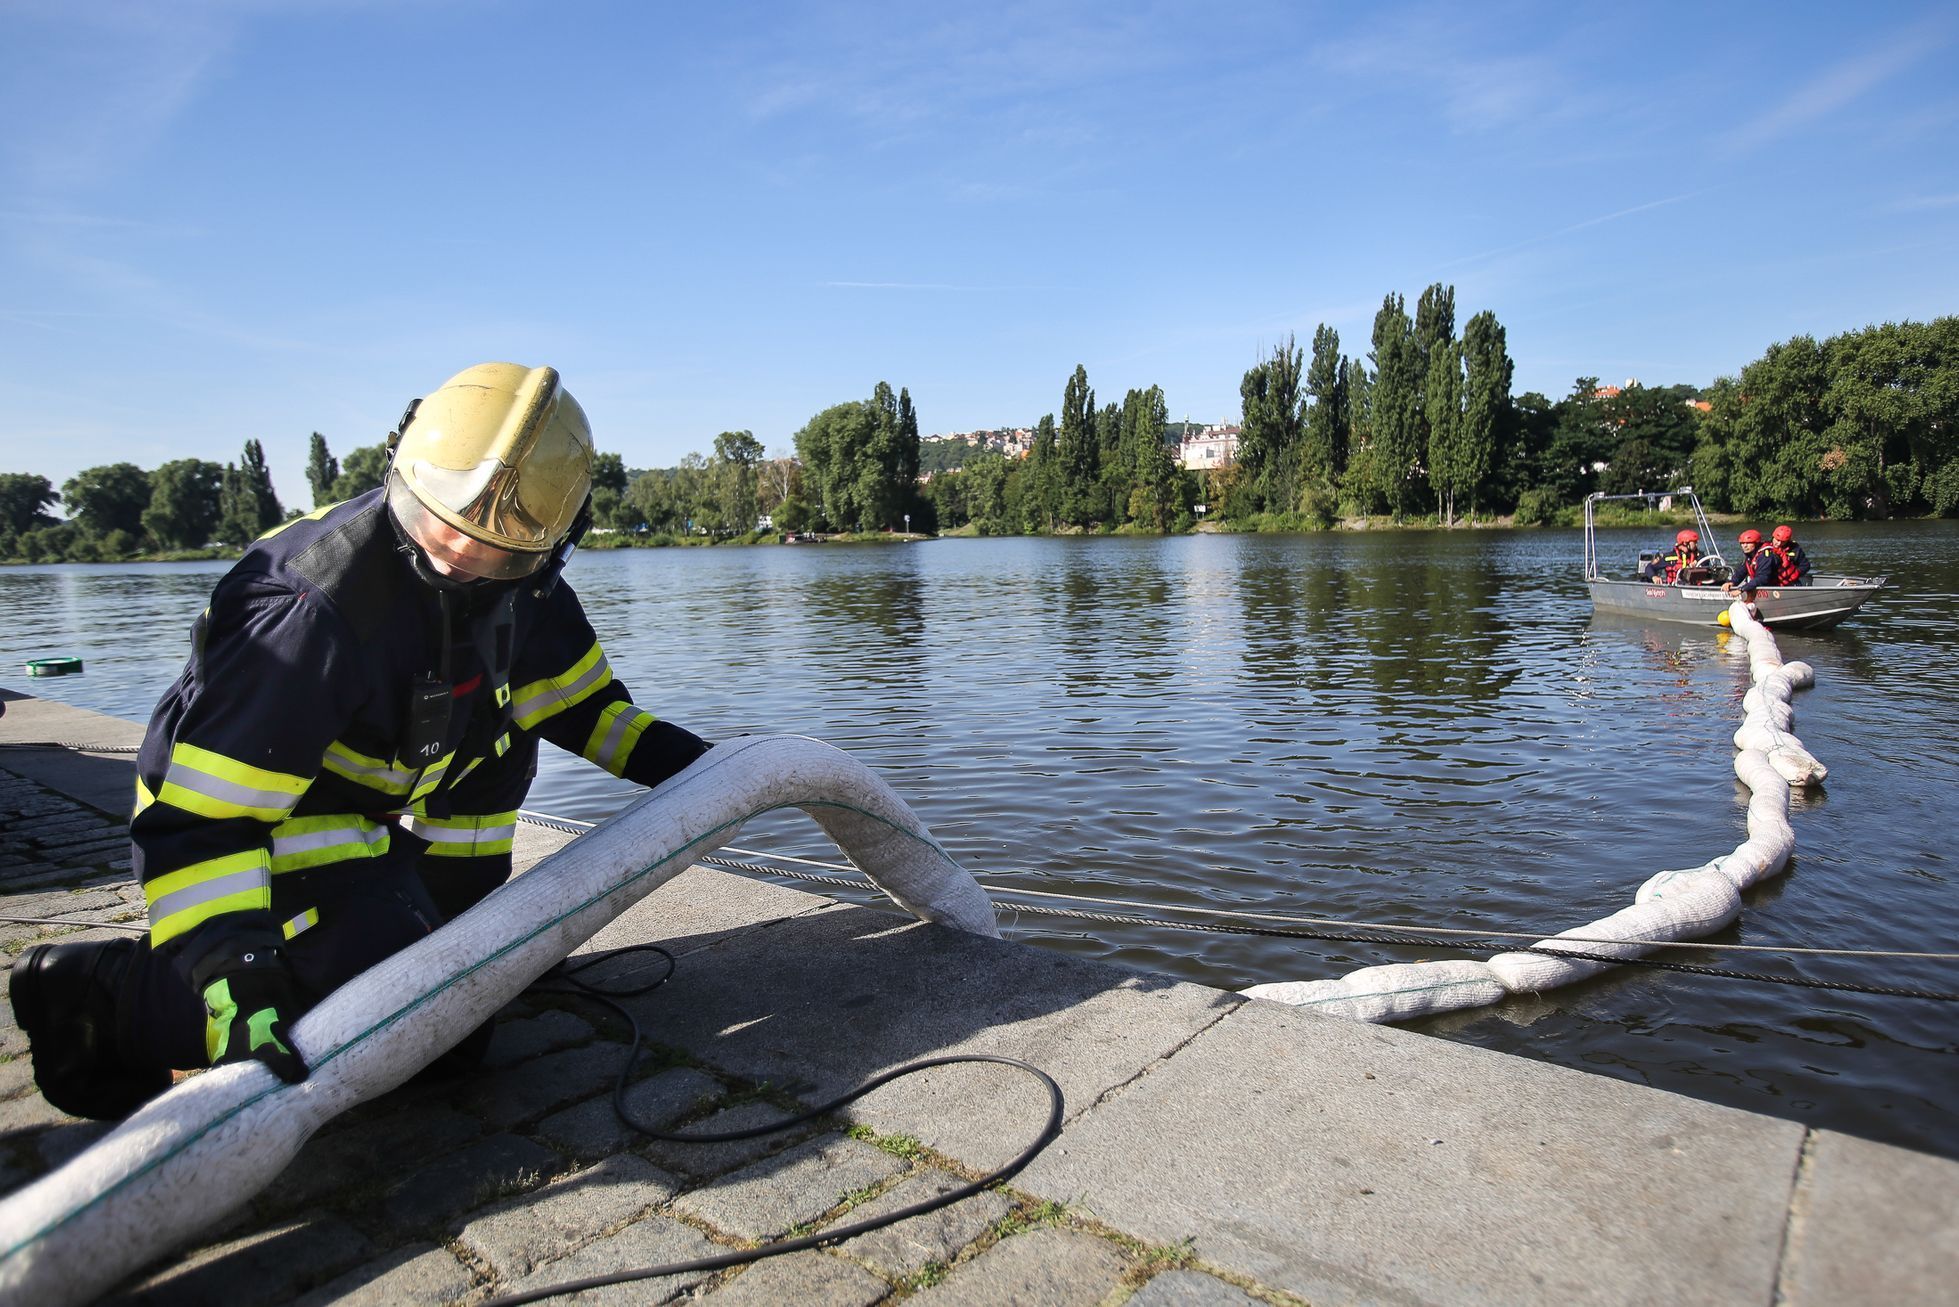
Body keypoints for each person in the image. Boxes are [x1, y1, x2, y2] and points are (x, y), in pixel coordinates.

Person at [9, 362, 712, 1119]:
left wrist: (720, 770)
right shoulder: (308, 608)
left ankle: (441, 936)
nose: (453, 552)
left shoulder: (528, 592)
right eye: (435, 515)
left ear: (552, 542)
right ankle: (103, 996)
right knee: (365, 1013)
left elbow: (588, 712)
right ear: (400, 468)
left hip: (368, 804)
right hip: (254, 819)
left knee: (453, 1039)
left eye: (498, 546)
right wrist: (235, 975)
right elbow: (205, 823)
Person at [1722, 528, 1778, 600]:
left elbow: (1762, 578)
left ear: (1756, 543)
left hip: (1775, 588)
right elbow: (1741, 571)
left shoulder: (1765, 556)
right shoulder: (1750, 556)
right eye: (1742, 543)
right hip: (1761, 587)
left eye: (1748, 543)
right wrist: (1731, 582)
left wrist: (1741, 590)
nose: (1745, 546)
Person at [1642, 528, 1710, 585]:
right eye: (1694, 542)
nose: (1696, 544)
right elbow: (1649, 567)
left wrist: (1696, 563)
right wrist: (1654, 577)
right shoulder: (1668, 557)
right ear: (1685, 543)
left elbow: (1706, 560)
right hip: (1674, 588)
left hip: (1694, 589)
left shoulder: (1698, 555)